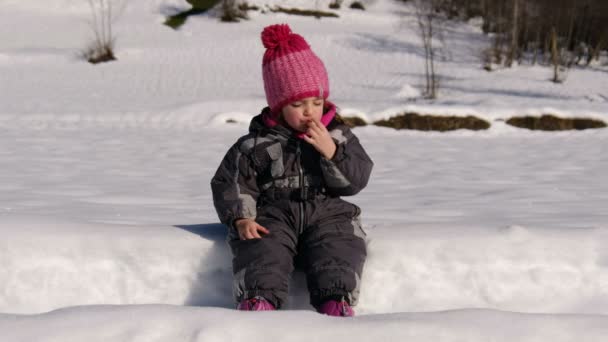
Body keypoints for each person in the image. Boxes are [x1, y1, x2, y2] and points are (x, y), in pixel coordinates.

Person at [211, 23, 373, 317]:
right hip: (274, 211)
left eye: (317, 101)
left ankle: (336, 300)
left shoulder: (338, 136)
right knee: (262, 246)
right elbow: (233, 181)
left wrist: (331, 152)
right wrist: (241, 218)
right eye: (298, 104)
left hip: (327, 209)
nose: (310, 111)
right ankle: (259, 299)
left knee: (340, 243)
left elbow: (356, 180)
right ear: (278, 106)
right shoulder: (255, 143)